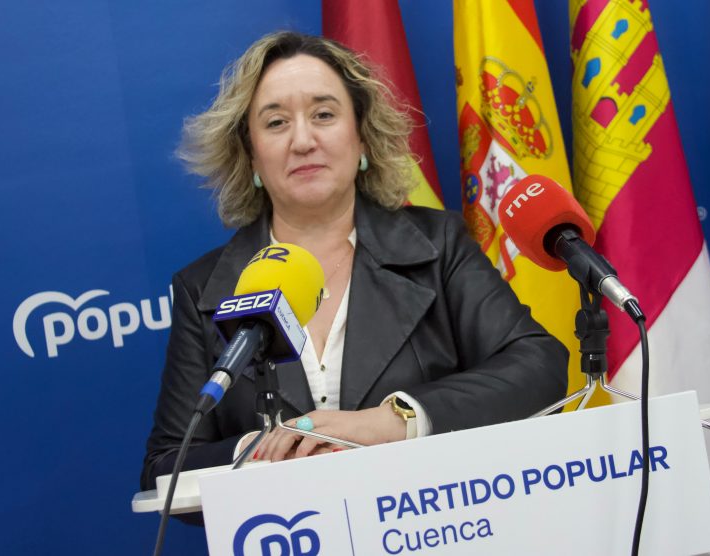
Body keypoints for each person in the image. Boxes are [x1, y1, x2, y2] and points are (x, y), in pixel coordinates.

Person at [141, 31, 568, 497]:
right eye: (276, 122)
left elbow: (539, 367)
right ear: (251, 155)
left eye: (324, 115)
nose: (303, 140)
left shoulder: (438, 246)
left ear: (362, 137)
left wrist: (396, 419)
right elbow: (165, 465)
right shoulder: (204, 289)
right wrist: (258, 451)